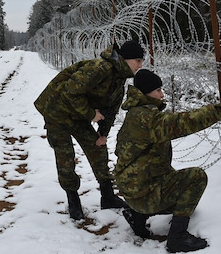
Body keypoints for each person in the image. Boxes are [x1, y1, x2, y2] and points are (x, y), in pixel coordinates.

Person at [115, 69, 221, 252]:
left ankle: (136, 214)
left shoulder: (135, 113)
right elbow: (182, 123)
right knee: (195, 178)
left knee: (171, 177)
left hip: (133, 190)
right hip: (142, 194)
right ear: (146, 92)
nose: (162, 94)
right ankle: (177, 237)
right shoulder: (147, 118)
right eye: (157, 90)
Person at [34, 40, 145, 220]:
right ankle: (73, 199)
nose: (140, 65)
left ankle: (108, 196)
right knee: (65, 156)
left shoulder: (119, 78)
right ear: (125, 59)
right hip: (56, 110)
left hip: (78, 114)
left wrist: (103, 134)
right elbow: (70, 91)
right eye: (138, 61)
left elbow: (112, 109)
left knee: (97, 148)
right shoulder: (100, 68)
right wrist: (90, 113)